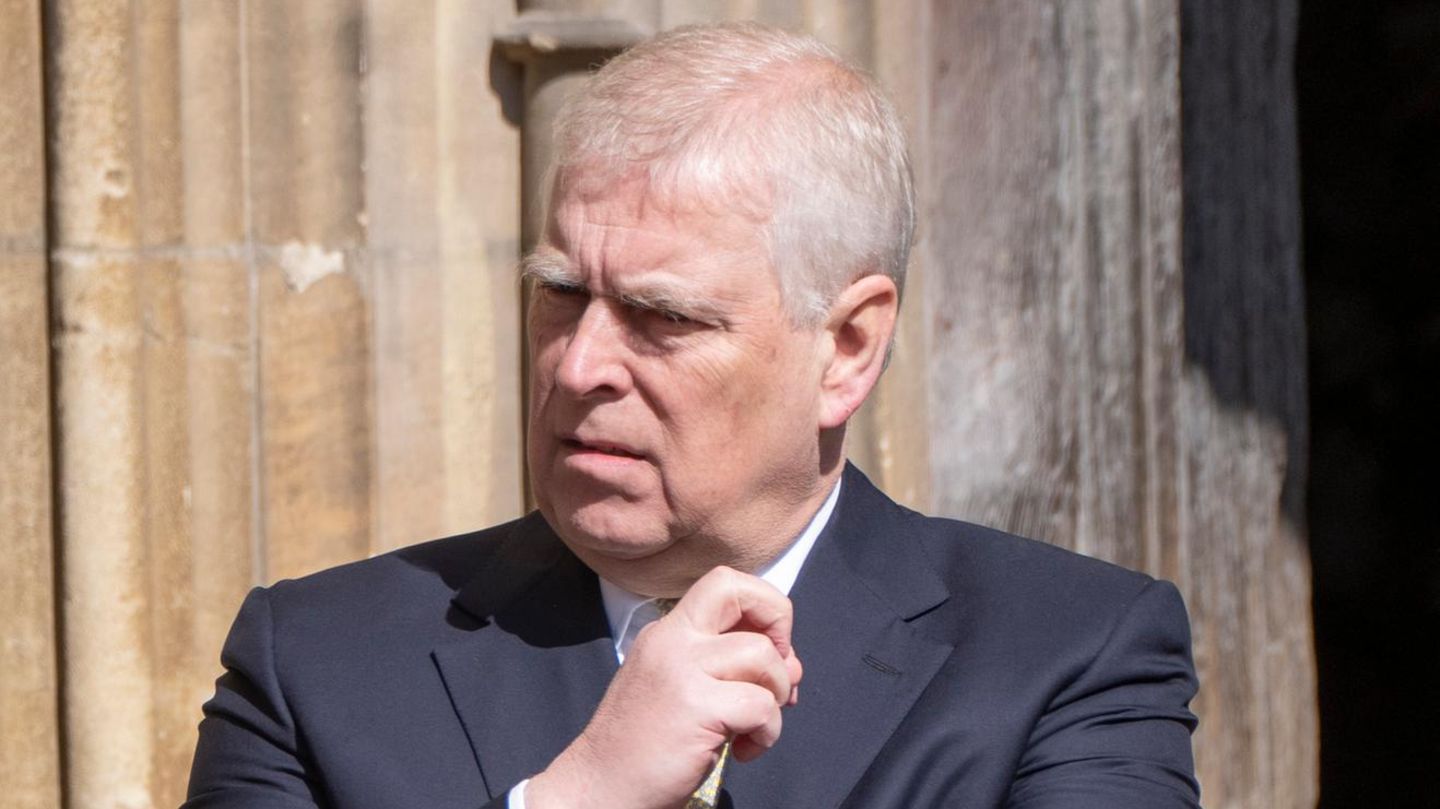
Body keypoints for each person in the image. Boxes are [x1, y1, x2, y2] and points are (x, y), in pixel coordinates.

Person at [184, 21, 1200, 809]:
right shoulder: (317, 664)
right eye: (561, 293)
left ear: (847, 347)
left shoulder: (1064, 656)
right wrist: (581, 796)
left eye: (663, 316)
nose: (580, 364)